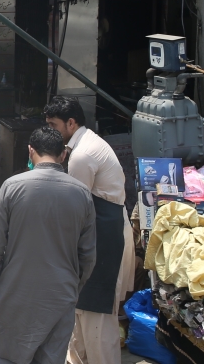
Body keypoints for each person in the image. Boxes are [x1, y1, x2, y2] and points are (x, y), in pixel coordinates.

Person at [0, 126, 97, 364]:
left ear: (30, 151)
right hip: (60, 295)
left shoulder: (12, 187)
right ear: (63, 154)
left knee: (4, 357)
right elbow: (88, 254)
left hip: (15, 292)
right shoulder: (82, 194)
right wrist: (74, 289)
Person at [43, 96, 134, 364]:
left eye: (53, 125)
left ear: (71, 123)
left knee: (96, 315)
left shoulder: (82, 155)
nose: (50, 131)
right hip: (102, 230)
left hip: (104, 236)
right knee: (81, 311)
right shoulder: (84, 143)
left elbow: (75, 208)